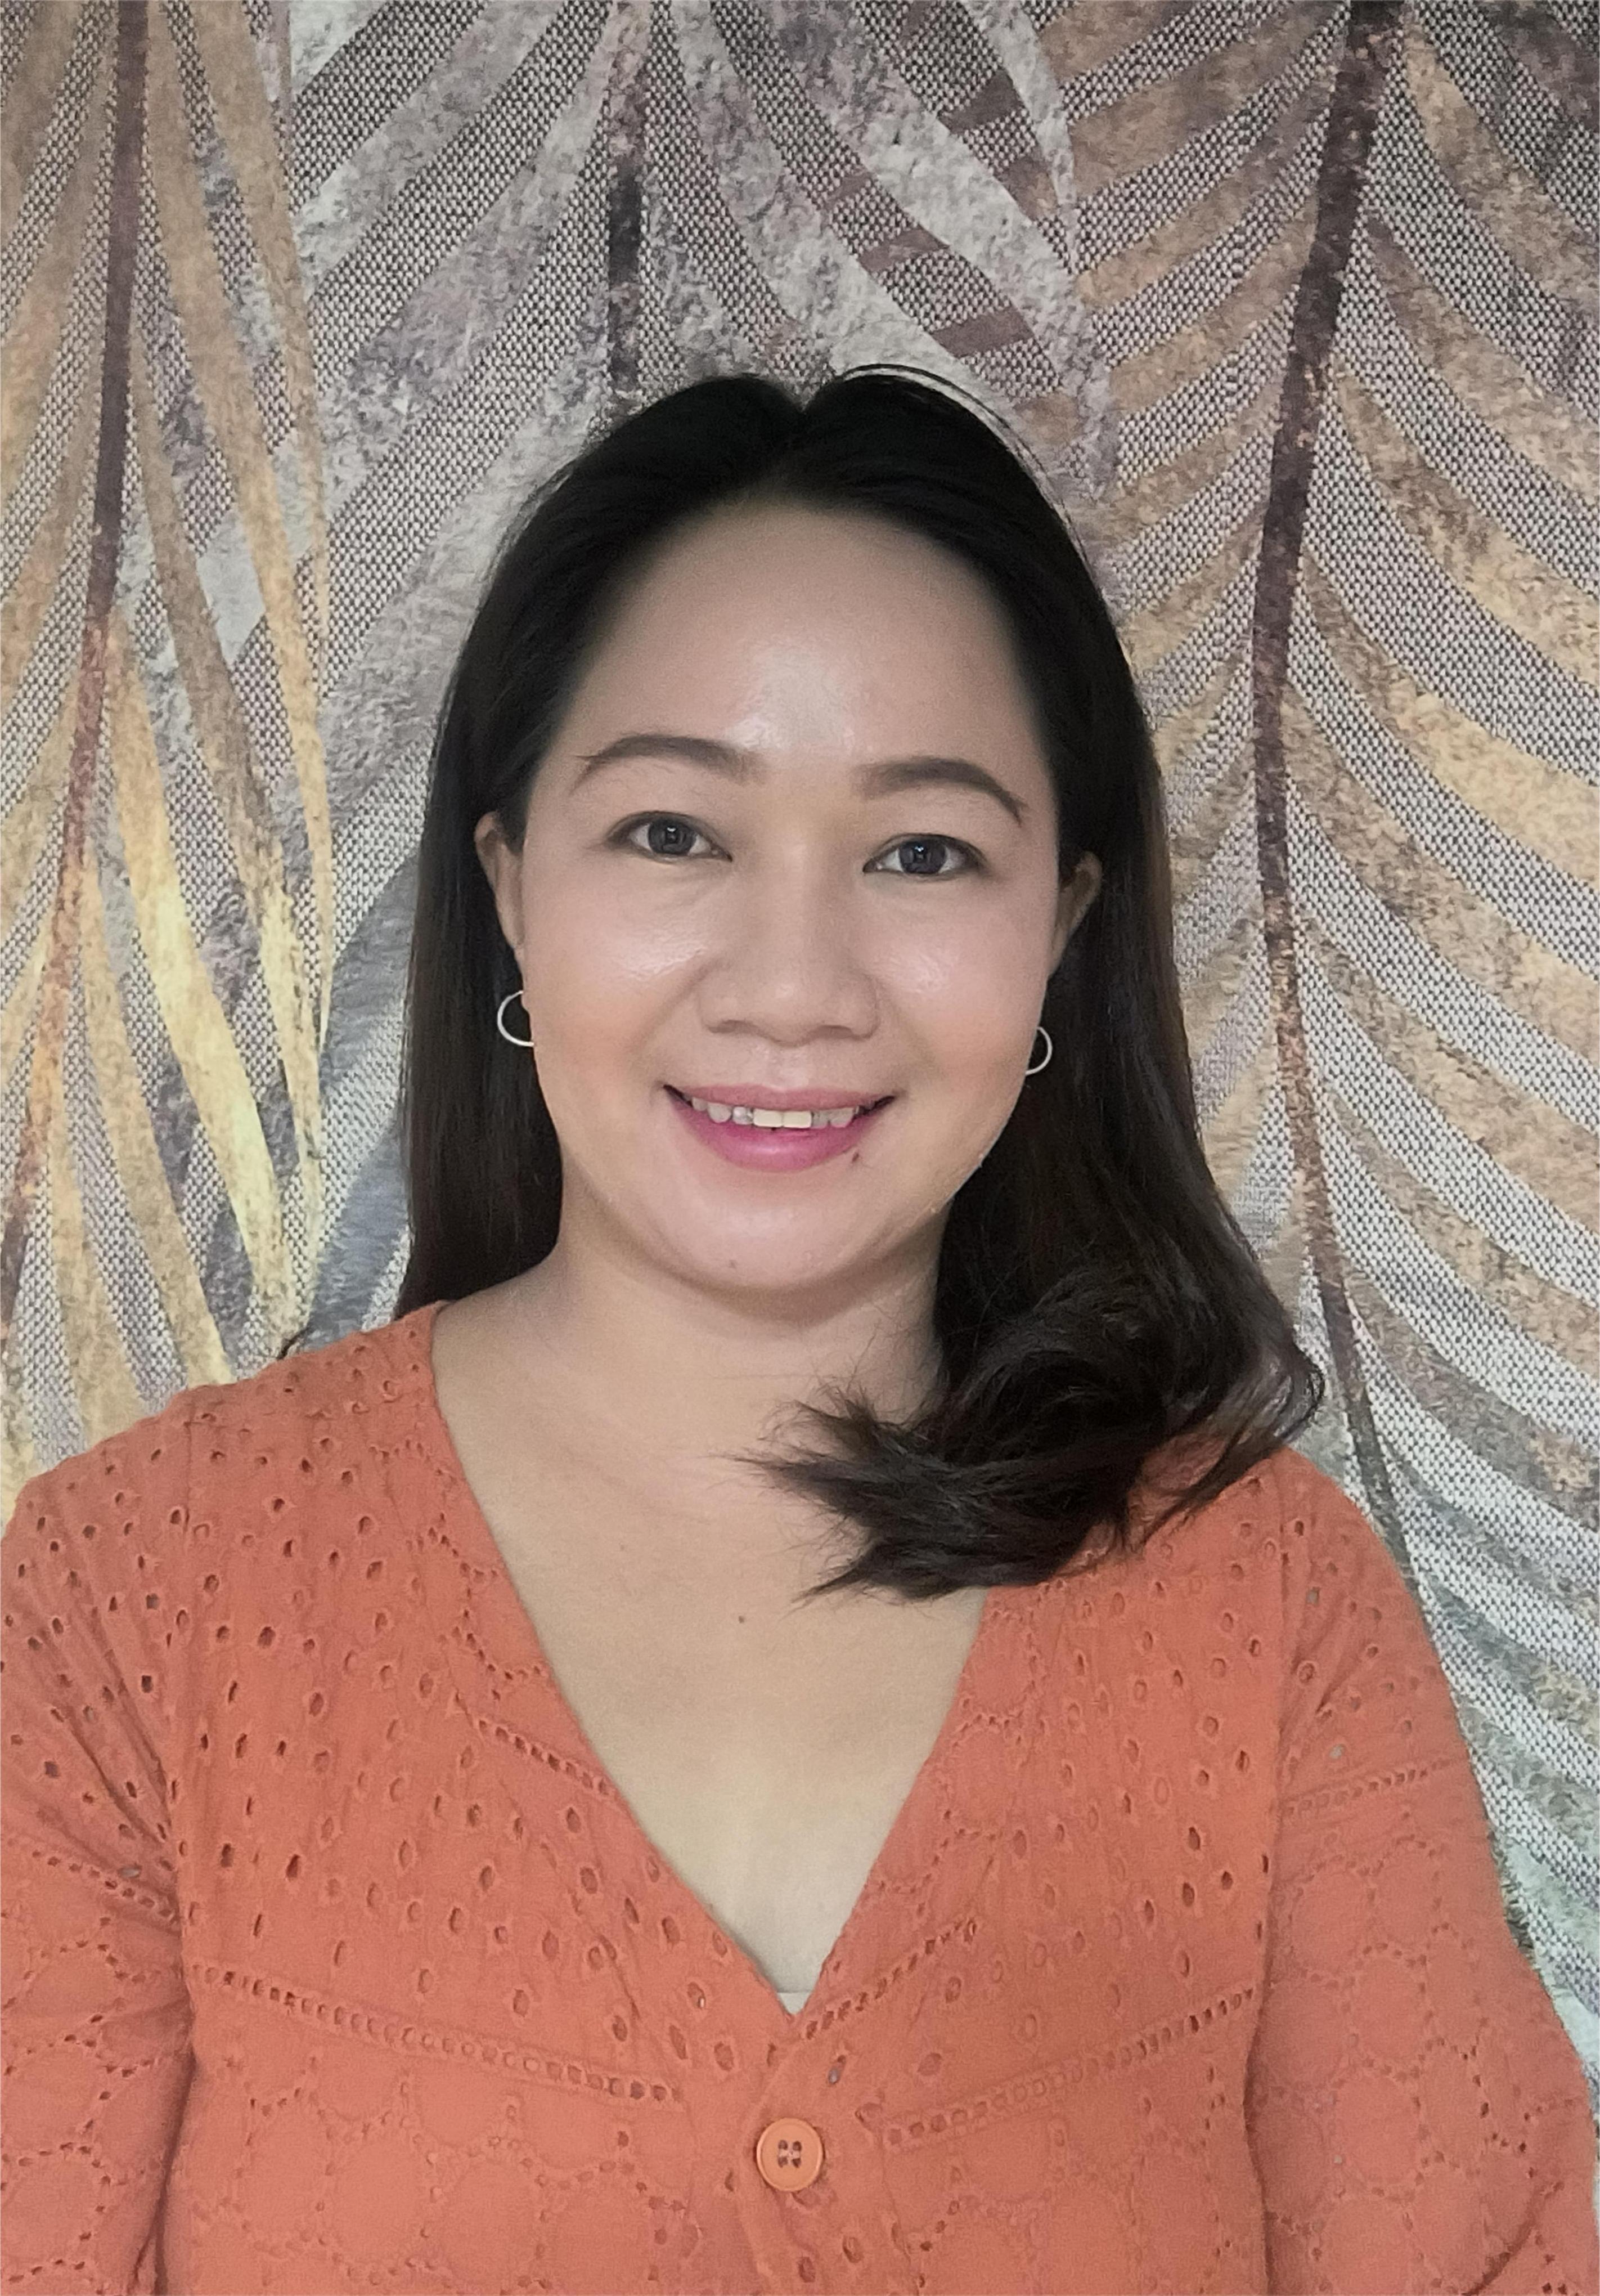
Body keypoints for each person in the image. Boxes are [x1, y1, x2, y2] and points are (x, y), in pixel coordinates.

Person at [2, 367, 1593, 2296]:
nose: (791, 985)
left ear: (1058, 930)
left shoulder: (1266, 1613)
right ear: (510, 888)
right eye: (673, 832)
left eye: (923, 853)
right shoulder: (135, 1599)